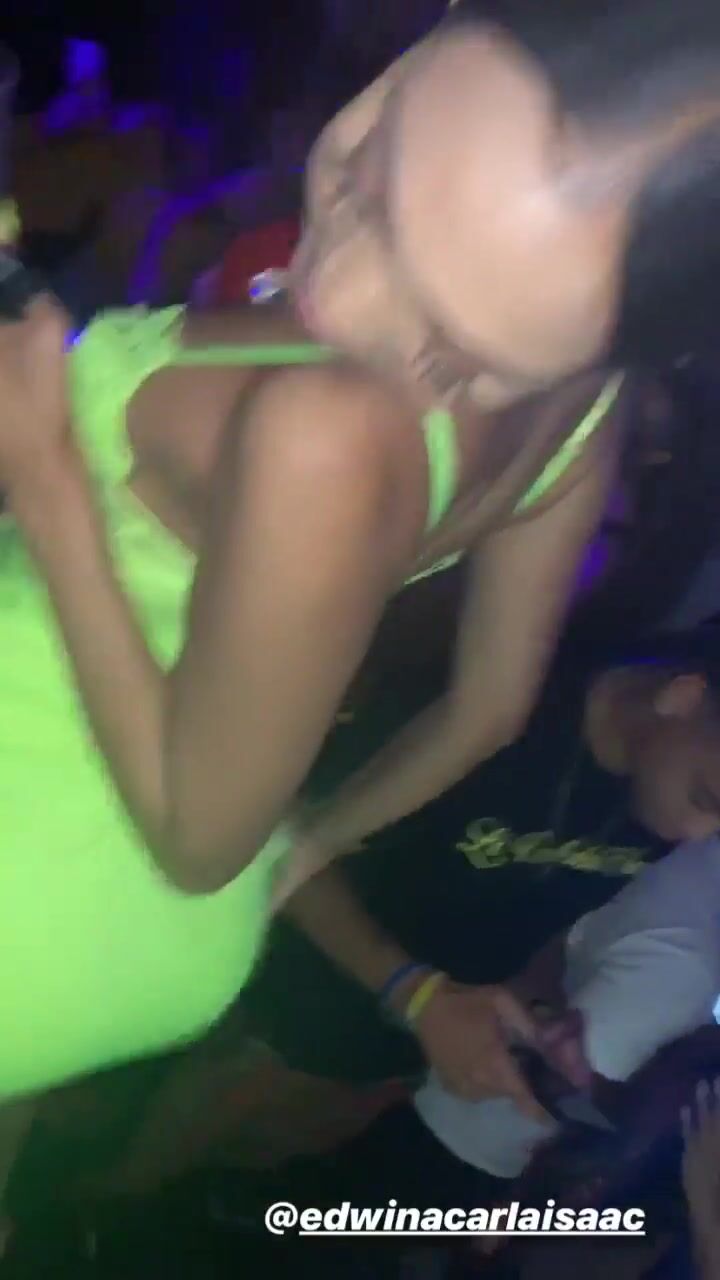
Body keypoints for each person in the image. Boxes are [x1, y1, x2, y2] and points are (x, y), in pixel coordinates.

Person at [2, 0, 720, 1174]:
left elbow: (199, 842)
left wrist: (48, 483)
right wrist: (302, 847)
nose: (339, 296)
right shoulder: (582, 405)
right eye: (369, 179)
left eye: (456, 354)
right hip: (97, 894)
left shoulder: (325, 432)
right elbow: (490, 706)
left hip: (38, 852)